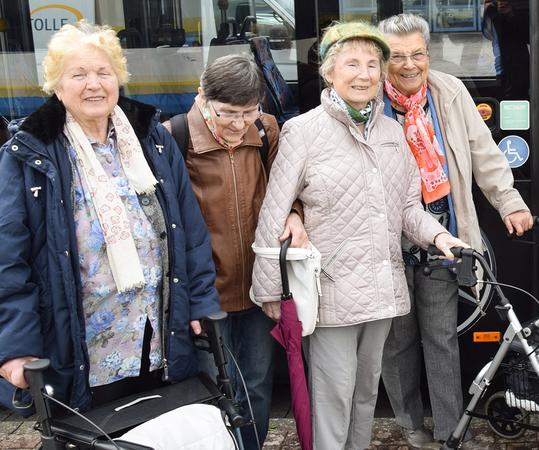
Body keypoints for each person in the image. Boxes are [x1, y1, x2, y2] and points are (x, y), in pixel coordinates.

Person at [250, 21, 468, 450]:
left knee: (367, 394)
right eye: (352, 63)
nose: (364, 74)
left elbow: (408, 209)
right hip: (330, 293)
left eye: (373, 64)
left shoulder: (392, 134)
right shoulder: (304, 132)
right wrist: (270, 292)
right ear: (330, 72)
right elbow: (274, 213)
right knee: (333, 399)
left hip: (382, 292)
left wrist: (441, 237)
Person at [0, 21, 220, 412]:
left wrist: (200, 300)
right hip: (81, 346)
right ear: (57, 85)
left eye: (104, 72)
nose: (94, 84)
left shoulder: (152, 139)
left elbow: (189, 229)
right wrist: (16, 347)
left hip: (156, 335)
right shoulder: (30, 155)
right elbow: (7, 260)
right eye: (79, 74)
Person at [376, 13, 533, 449]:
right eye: (399, 56)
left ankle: (449, 432)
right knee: (397, 340)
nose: (410, 65)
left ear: (429, 55)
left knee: (442, 337)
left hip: (443, 233)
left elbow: (484, 153)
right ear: (383, 58)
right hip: (386, 240)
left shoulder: (449, 91)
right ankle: (410, 424)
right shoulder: (368, 100)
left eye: (418, 54)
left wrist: (510, 201)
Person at [163, 54, 293, 450]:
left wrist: (298, 216)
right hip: (207, 294)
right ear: (202, 98)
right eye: (228, 113)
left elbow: (288, 192)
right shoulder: (175, 136)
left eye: (249, 112)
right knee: (214, 392)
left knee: (256, 386)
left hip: (258, 288)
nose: (239, 124)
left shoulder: (267, 130)